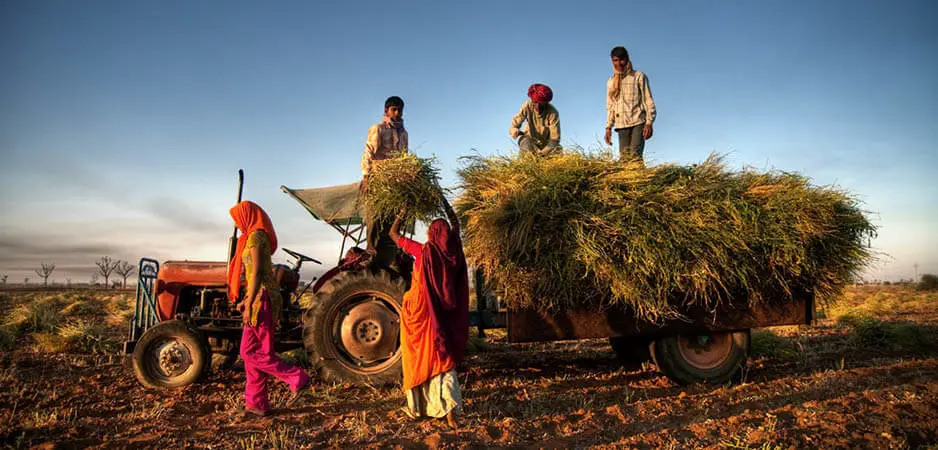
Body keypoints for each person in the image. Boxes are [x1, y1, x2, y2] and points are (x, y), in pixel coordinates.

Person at [227, 201, 312, 417]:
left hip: (262, 299)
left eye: (238, 219)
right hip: (259, 297)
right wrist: (246, 300)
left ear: (247, 216)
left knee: (249, 352)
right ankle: (256, 404)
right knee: (254, 353)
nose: (237, 224)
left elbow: (255, 273)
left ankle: (296, 377)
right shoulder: (254, 236)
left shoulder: (256, 236)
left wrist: (250, 303)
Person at [389, 201, 469, 429]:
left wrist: (402, 211)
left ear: (432, 234)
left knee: (418, 357)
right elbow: (456, 225)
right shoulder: (454, 250)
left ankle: (420, 407)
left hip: (420, 313)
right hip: (442, 314)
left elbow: (393, 234)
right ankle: (450, 409)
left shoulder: (424, 250)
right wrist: (443, 202)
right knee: (443, 357)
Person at [360, 95, 409, 267]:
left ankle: (390, 255)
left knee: (392, 219)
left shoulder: (404, 134)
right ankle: (370, 252)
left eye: (399, 110)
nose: (397, 113)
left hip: (394, 183)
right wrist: (366, 176)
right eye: (393, 109)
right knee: (375, 216)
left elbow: (404, 158)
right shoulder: (378, 129)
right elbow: (368, 153)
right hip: (378, 179)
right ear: (386, 111)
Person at [604, 46, 657, 162]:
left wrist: (649, 123)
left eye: (621, 60)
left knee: (635, 156)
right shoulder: (611, 82)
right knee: (624, 160)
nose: (619, 64)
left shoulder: (638, 77)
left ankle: (642, 179)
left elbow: (648, 100)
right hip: (621, 125)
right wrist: (608, 127)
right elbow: (610, 106)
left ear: (627, 59)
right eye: (615, 60)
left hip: (638, 122)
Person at [509, 83, 561, 156]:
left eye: (541, 103)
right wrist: (515, 131)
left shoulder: (553, 113)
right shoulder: (527, 106)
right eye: (535, 102)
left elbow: (554, 139)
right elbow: (514, 125)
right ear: (532, 100)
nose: (538, 106)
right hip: (529, 140)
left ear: (546, 102)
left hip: (546, 144)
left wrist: (542, 153)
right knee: (525, 142)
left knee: (558, 150)